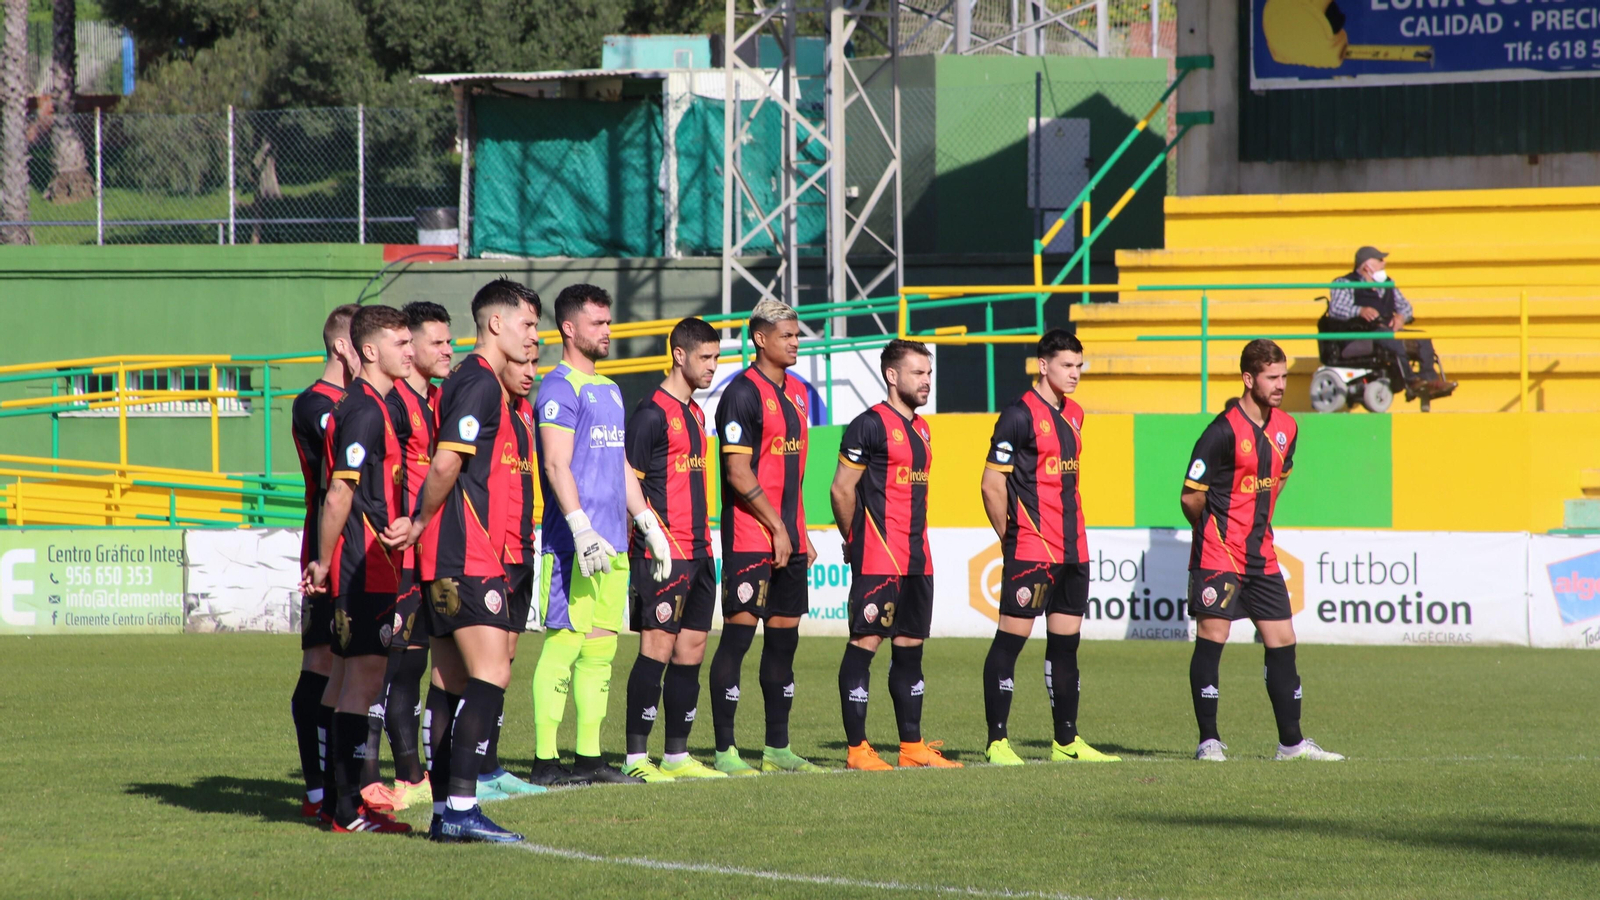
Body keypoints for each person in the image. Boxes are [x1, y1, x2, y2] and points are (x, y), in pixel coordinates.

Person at [403, 278, 541, 843]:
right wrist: (419, 520)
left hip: (450, 554)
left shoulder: (477, 383)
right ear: (495, 324)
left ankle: (444, 813)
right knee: (492, 672)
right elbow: (445, 464)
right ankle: (462, 807)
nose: (533, 337)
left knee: (450, 680)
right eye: (527, 325)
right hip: (465, 552)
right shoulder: (479, 382)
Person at [530, 284, 673, 787]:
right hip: (574, 545)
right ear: (569, 328)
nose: (608, 331)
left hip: (612, 545)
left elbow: (620, 466)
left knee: (600, 653)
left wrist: (647, 522)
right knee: (564, 646)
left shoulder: (610, 389)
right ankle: (545, 762)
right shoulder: (558, 387)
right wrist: (580, 527)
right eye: (598, 323)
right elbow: (555, 463)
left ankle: (589, 759)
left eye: (609, 322)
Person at [1180, 339, 1344, 763]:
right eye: (1272, 377)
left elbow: (1280, 476)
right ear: (1248, 379)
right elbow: (1190, 496)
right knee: (1213, 637)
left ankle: (1291, 744)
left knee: (1282, 639)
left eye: (1284, 376)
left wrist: (1257, 520)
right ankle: (1208, 741)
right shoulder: (1220, 432)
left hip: (1261, 555)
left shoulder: (1287, 427)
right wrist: (1212, 531)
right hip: (1219, 553)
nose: (1281, 385)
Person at [978, 329, 1119, 766]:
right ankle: (997, 742)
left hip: (1074, 550)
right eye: (1066, 365)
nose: (1075, 374)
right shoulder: (1018, 416)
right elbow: (991, 484)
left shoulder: (1075, 413)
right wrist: (1010, 537)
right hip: (1032, 549)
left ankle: (1066, 742)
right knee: (1010, 642)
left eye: (1079, 366)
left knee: (1065, 646)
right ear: (1043, 366)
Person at [301, 303, 416, 833]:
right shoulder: (367, 409)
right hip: (361, 568)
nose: (409, 351)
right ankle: (347, 810)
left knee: (343, 681)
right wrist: (325, 561)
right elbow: (339, 492)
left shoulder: (372, 405)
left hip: (366, 564)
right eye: (400, 343)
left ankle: (334, 804)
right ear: (370, 350)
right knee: (361, 685)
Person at [830, 339, 961, 771]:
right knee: (864, 646)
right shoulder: (868, 425)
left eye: (929, 373)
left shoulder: (923, 429)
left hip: (917, 559)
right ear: (892, 375)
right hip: (879, 557)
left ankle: (912, 747)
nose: (927, 381)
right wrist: (855, 540)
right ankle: (857, 751)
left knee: (910, 651)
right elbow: (841, 490)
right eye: (918, 373)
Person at [710, 298, 823, 775]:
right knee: (737, 641)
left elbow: (790, 473)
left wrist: (800, 532)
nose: (796, 343)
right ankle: (725, 751)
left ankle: (777, 749)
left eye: (797, 335)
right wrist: (777, 527)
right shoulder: (741, 394)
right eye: (786, 336)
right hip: (751, 538)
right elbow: (738, 472)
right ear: (760, 339)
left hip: (788, 538)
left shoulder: (798, 392)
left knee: (783, 644)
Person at [619, 317, 729, 782]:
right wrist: (647, 535)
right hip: (663, 552)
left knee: (692, 649)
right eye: (705, 357)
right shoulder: (651, 413)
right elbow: (627, 479)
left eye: (717, 357)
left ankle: (677, 756)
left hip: (700, 550)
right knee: (657, 648)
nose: (713, 366)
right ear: (679, 355)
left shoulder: (697, 413)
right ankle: (635, 759)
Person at [353, 301, 450, 815]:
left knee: (411, 666)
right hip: (395, 553)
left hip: (425, 553)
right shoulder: (389, 406)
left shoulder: (432, 400)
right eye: (435, 342)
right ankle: (367, 778)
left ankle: (411, 775)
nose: (444, 351)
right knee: (382, 670)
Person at [289, 304, 359, 820]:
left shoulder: (364, 401)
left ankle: (351, 784)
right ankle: (317, 790)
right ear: (341, 346)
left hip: (365, 548)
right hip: (326, 548)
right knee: (322, 662)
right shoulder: (315, 403)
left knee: (358, 666)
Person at [480, 354, 545, 797]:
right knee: (479, 669)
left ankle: (490, 764)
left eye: (534, 363)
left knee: (504, 666)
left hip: (523, 550)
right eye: (521, 363)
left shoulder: (526, 412)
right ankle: (466, 769)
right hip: (490, 555)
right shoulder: (488, 406)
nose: (529, 371)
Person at [1327, 246, 1455, 396]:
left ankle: (1430, 381)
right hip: (1362, 333)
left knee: (1422, 338)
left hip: (1386, 330)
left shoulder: (1387, 283)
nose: (1384, 263)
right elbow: (1336, 309)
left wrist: (1401, 317)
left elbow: (1406, 306)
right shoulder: (1345, 283)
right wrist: (1360, 311)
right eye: (1380, 260)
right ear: (1367, 266)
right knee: (1393, 341)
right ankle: (1412, 382)